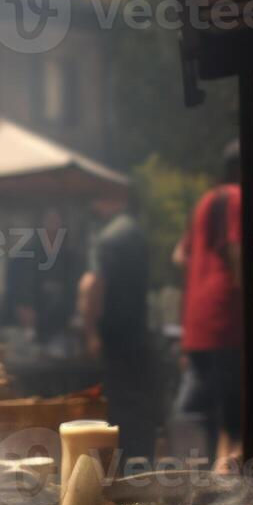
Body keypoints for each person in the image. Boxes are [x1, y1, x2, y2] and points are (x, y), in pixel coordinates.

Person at [173, 140, 243, 470]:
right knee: (231, 413)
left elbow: (179, 255)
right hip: (225, 313)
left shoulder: (205, 202)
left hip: (197, 316)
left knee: (198, 406)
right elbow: (235, 248)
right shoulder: (236, 198)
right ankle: (217, 477)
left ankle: (190, 477)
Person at [77, 194, 154, 458]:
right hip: (138, 335)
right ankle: (140, 469)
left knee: (117, 407)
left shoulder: (107, 238)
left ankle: (119, 471)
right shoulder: (137, 234)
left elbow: (92, 285)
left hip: (114, 338)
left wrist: (89, 333)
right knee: (138, 410)